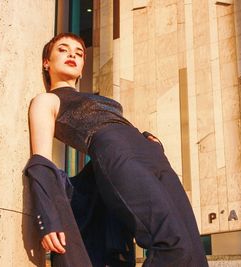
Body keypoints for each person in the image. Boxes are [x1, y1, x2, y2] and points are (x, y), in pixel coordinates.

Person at [27, 32, 208, 266]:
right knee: (173, 245)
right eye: (62, 49)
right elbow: (40, 161)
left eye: (79, 53)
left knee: (195, 255)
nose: (72, 54)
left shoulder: (93, 97)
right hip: (115, 152)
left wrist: (149, 140)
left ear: (82, 68)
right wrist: (48, 217)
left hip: (152, 156)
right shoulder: (47, 100)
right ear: (46, 62)